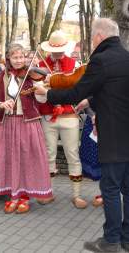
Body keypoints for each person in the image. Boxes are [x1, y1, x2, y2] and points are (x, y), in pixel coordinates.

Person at [35, 18, 129, 253]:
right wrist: (93, 100)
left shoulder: (101, 59)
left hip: (115, 137)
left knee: (110, 188)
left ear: (98, 36)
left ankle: (110, 241)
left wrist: (47, 94)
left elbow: (75, 91)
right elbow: (121, 94)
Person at [0, 43, 53, 214]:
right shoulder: (0, 77)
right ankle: (12, 196)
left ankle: (24, 197)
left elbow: (43, 102)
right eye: (15, 57)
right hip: (7, 124)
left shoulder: (32, 76)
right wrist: (1, 104)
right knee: (9, 159)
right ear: (8, 58)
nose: (18, 60)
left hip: (28, 123)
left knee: (27, 159)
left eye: (21, 57)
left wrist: (40, 91)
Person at [38, 30, 87, 208]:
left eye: (59, 49)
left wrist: (54, 88)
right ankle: (48, 192)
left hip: (69, 115)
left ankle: (77, 194)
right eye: (53, 49)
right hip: (48, 115)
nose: (56, 53)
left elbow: (78, 90)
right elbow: (38, 92)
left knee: (72, 154)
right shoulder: (40, 65)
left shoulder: (75, 65)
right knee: (48, 154)